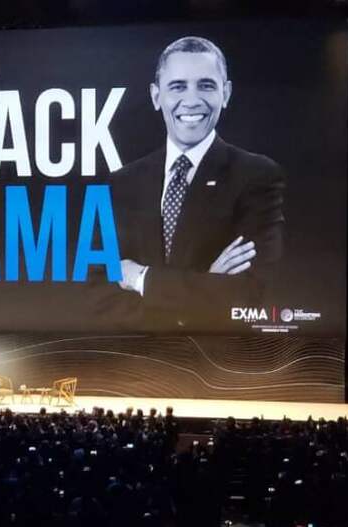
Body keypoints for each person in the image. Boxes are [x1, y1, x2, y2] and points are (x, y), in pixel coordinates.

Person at [110, 36, 285, 329]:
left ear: (225, 93)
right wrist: (207, 283)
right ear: (156, 96)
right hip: (133, 352)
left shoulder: (258, 176)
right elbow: (97, 294)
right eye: (178, 86)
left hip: (223, 354)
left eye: (205, 85)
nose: (191, 101)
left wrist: (141, 278)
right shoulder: (122, 183)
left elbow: (248, 294)